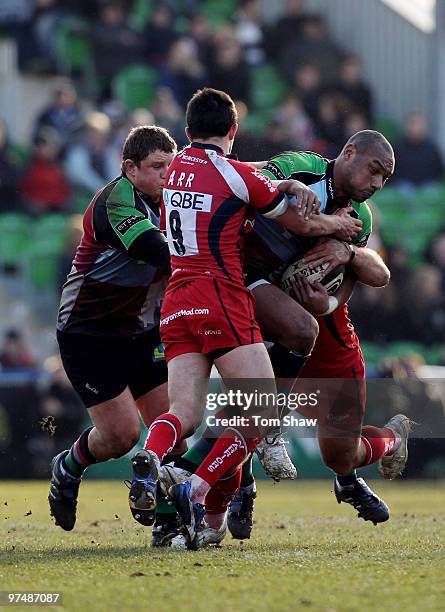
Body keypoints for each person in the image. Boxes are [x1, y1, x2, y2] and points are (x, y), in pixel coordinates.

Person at [130, 88, 361, 549]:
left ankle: (151, 457)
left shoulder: (172, 169)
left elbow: (239, 178)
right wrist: (340, 228)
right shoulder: (235, 175)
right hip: (220, 294)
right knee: (258, 413)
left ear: (187, 132)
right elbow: (297, 222)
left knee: (185, 414)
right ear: (234, 131)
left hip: (177, 301)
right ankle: (192, 491)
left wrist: (286, 183)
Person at [226, 131, 411, 539]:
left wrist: (342, 263)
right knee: (247, 397)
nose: (377, 184)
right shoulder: (301, 168)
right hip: (261, 297)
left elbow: (374, 275)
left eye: (385, 178)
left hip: (328, 333)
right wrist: (295, 197)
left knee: (341, 454)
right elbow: (254, 184)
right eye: (373, 170)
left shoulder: (361, 219)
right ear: (348, 153)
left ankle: (385, 444)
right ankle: (242, 485)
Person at [48, 125, 177, 532]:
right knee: (121, 436)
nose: (165, 176)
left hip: (141, 329)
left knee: (171, 421)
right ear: (130, 168)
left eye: (171, 168)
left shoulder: (173, 199)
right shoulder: (115, 202)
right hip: (89, 333)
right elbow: (159, 252)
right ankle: (67, 469)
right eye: (157, 167)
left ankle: (167, 521)